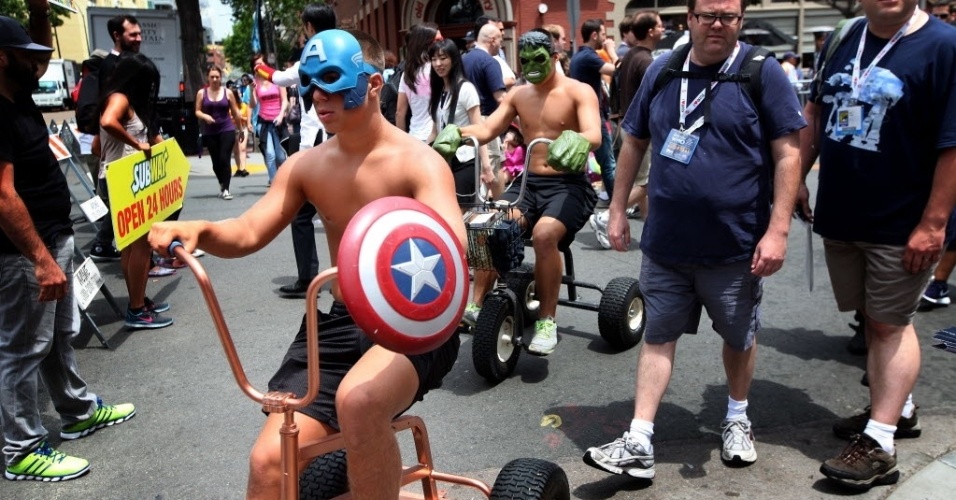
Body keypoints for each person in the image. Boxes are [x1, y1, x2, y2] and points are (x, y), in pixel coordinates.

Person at [148, 29, 464, 499]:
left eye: (334, 81)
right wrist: (200, 231)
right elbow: (250, 230)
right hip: (339, 324)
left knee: (359, 403)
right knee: (270, 460)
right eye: (311, 83)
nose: (319, 96)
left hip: (412, 326)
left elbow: (451, 246)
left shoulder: (419, 163)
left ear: (373, 84)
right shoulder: (306, 165)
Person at [584, 0, 805, 479]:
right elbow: (634, 140)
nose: (717, 25)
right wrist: (617, 208)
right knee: (658, 336)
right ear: (691, 20)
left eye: (728, 16)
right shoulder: (663, 70)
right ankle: (639, 439)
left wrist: (778, 229)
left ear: (740, 21)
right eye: (708, 15)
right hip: (666, 244)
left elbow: (789, 153)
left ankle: (737, 417)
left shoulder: (760, 73)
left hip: (734, 247)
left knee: (738, 336)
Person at [797, 0, 956, 490]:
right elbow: (816, 111)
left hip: (901, 219)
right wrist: (797, 179)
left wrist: (933, 223)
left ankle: (880, 443)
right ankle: (898, 409)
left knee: (889, 325)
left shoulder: (944, 46)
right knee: (870, 317)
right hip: (844, 212)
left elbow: (953, 143)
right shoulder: (845, 37)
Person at [0, 8, 135, 482]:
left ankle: (76, 410)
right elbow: (3, 194)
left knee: (56, 337)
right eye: (25, 55)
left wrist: (39, 10)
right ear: (2, 58)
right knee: (21, 348)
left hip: (50, 236)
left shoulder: (16, 93)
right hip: (20, 252)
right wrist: (39, 258)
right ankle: (22, 449)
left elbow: (37, 55)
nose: (37, 63)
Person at [440, 29, 602, 355]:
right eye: (524, 60)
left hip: (569, 186)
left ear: (554, 57)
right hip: (528, 183)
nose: (530, 65)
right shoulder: (518, 95)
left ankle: (546, 321)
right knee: (488, 225)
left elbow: (594, 132)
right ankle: (476, 306)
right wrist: (457, 131)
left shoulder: (579, 91)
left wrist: (581, 140)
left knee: (544, 235)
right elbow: (487, 129)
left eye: (538, 59)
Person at [252, 3, 336, 298]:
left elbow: (277, 77)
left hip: (317, 144)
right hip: (344, 141)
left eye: (305, 26)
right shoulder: (346, 52)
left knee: (303, 214)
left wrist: (260, 66)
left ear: (310, 27)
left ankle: (308, 278)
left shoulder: (311, 59)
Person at [96, 52, 174, 329]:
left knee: (130, 244)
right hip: (124, 181)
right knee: (140, 243)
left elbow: (98, 145)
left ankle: (138, 299)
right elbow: (107, 122)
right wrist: (135, 144)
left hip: (120, 179)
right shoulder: (120, 98)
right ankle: (137, 309)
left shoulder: (119, 98)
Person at [590, 10, 666, 248]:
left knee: (643, 178)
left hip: (625, 123)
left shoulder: (630, 56)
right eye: (661, 25)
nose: (664, 29)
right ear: (651, 31)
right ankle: (605, 216)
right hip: (641, 129)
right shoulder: (646, 62)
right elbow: (656, 99)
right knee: (647, 182)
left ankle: (651, 228)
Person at [87, 14, 142, 262]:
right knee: (129, 217)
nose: (139, 38)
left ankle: (141, 257)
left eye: (139, 33)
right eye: (133, 34)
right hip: (121, 156)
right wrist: (137, 142)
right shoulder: (112, 66)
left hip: (127, 152)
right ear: (117, 36)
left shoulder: (128, 62)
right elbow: (108, 118)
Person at [427, 39, 494, 203]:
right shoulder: (439, 91)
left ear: (454, 59)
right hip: (444, 161)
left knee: (462, 209)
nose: (438, 64)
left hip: (465, 159)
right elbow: (435, 131)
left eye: (443, 58)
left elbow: (480, 129)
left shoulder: (466, 89)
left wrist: (486, 166)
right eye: (434, 59)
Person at [570, 19, 619, 207]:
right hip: (592, 116)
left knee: (583, 162)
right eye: (604, 34)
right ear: (595, 35)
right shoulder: (589, 57)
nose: (606, 38)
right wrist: (611, 50)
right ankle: (618, 203)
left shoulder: (578, 56)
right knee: (607, 163)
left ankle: (582, 200)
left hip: (582, 115)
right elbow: (617, 71)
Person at [196, 65, 242, 200]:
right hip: (210, 132)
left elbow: (235, 112)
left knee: (224, 158)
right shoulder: (201, 93)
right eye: (212, 77)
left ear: (221, 77)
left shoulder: (227, 92)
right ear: (208, 78)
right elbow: (197, 111)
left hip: (227, 129)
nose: (215, 79)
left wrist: (240, 130)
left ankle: (226, 189)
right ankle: (222, 183)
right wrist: (205, 116)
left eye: (217, 77)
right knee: (216, 163)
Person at [397, 23, 441, 143]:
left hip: (414, 137)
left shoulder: (408, 73)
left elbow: (400, 113)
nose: (442, 43)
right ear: (426, 44)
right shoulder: (439, 69)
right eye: (437, 40)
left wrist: (402, 143)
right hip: (438, 138)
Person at [250, 53, 288, 185]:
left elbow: (285, 100)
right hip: (264, 121)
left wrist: (281, 114)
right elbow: (253, 104)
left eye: (260, 63)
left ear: (266, 65)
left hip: (278, 121)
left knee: (280, 156)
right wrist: (251, 90)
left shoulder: (276, 78)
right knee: (270, 155)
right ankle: (274, 183)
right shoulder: (255, 82)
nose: (258, 67)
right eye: (255, 65)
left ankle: (285, 181)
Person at [231, 88, 251, 178]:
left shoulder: (243, 105)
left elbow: (247, 118)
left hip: (243, 128)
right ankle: (239, 168)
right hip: (233, 129)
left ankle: (243, 168)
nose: (240, 95)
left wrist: (241, 118)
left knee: (242, 148)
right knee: (235, 150)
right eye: (238, 93)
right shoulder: (229, 106)